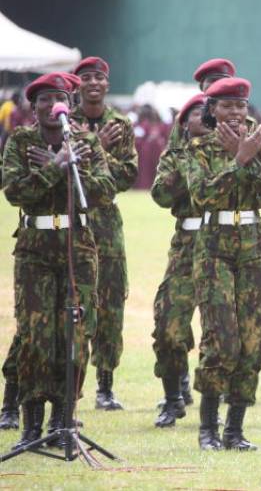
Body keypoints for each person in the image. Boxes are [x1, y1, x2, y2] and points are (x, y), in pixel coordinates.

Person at [3, 72, 113, 449]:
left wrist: (71, 166)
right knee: (36, 336)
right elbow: (16, 192)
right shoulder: (19, 141)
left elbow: (104, 192)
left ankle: (63, 423)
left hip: (78, 248)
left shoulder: (85, 143)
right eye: (45, 99)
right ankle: (31, 427)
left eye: (60, 98)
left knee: (75, 335)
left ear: (71, 105)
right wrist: (56, 166)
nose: (53, 106)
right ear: (33, 107)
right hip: (35, 249)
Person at [183, 77, 261, 450]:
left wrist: (251, 160)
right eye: (227, 106)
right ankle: (208, 428)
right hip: (214, 247)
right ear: (211, 110)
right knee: (221, 340)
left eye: (241, 106)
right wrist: (238, 160)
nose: (235, 113)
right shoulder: (198, 148)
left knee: (252, 341)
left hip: (253, 246)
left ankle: (235, 430)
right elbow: (202, 195)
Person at [70, 56, 139, 411]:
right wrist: (100, 146)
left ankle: (106, 386)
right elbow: (68, 170)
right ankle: (72, 383)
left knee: (111, 301)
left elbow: (127, 176)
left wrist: (96, 153)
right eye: (86, 78)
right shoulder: (66, 123)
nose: (93, 83)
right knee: (77, 302)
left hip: (107, 222)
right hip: (74, 219)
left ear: (107, 84)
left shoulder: (120, 123)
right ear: (77, 84)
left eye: (99, 77)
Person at [149, 93, 210, 428]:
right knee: (169, 326)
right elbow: (159, 194)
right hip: (188, 244)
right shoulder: (175, 155)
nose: (206, 118)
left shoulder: (230, 149)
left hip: (225, 243)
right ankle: (173, 398)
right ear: (184, 123)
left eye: (209, 112)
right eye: (197, 113)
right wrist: (189, 160)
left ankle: (218, 408)